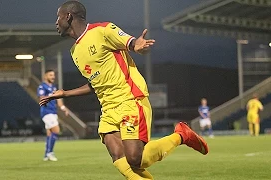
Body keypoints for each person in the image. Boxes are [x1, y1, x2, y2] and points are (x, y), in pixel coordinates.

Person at [40, 1, 209, 179]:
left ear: (68, 16)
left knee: (135, 159)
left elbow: (131, 42)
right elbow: (96, 82)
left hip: (129, 99)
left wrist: (137, 44)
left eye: (58, 17)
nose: (56, 22)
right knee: (118, 157)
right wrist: (65, 93)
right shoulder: (75, 51)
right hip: (107, 108)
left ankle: (181, 136)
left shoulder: (102, 30)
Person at [37, 69, 69, 161]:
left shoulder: (54, 88)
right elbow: (42, 98)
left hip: (53, 112)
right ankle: (50, 152)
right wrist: (47, 99)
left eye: (53, 75)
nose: (53, 77)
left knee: (50, 133)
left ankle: (46, 155)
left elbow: (58, 100)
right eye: (50, 75)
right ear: (45, 76)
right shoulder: (42, 87)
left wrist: (63, 108)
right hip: (47, 112)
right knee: (56, 130)